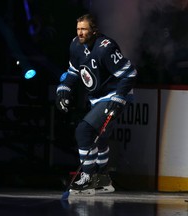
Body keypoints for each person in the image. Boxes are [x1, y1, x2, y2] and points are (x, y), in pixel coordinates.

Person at [55, 14, 137, 194]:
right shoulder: (75, 44)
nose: (80, 33)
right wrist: (64, 88)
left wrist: (119, 98)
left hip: (114, 95)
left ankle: (89, 178)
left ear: (94, 30)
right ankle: (103, 180)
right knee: (99, 138)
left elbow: (129, 73)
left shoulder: (105, 48)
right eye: (78, 29)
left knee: (84, 130)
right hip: (97, 97)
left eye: (84, 29)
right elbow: (73, 71)